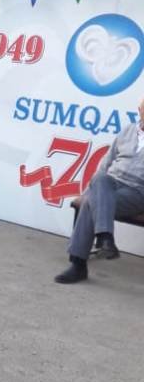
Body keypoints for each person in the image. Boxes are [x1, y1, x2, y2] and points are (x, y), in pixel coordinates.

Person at [55, 99, 144, 284]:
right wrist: (89, 191)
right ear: (139, 110)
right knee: (99, 181)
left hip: (137, 191)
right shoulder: (127, 131)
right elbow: (106, 163)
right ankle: (105, 238)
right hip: (110, 184)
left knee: (91, 202)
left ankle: (79, 264)